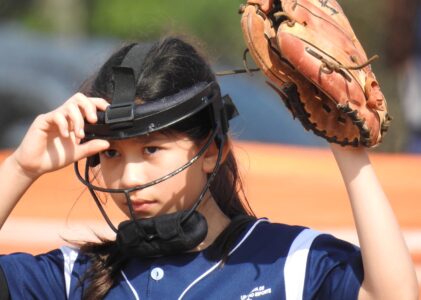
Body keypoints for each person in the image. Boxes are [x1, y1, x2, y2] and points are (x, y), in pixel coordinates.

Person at [0, 37, 418, 300]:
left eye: (151, 150)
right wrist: (21, 166)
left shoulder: (288, 262)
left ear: (212, 151)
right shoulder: (76, 278)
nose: (128, 178)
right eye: (111, 154)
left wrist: (346, 148)